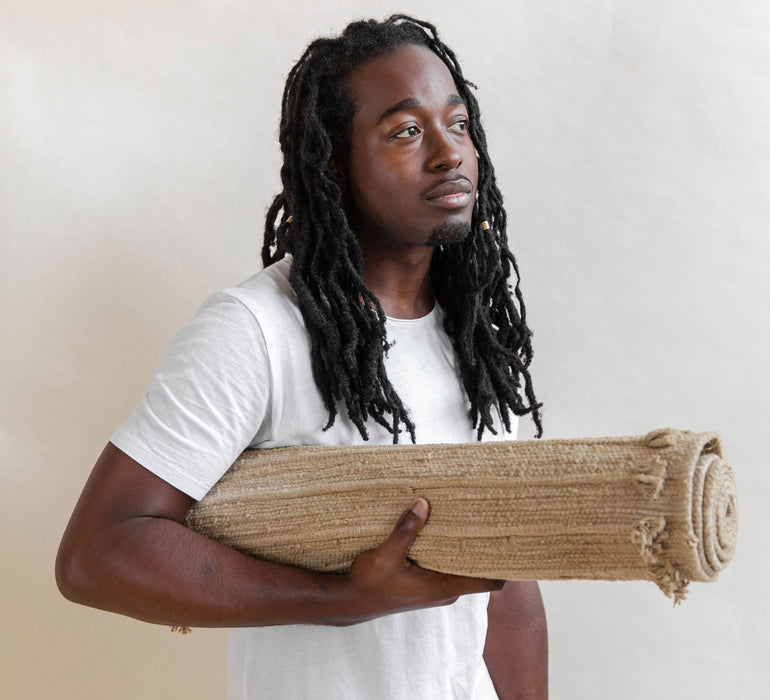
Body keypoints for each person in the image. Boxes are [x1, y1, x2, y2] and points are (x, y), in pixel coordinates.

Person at [56, 14, 548, 699]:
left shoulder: (474, 338)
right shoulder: (256, 330)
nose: (449, 152)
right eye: (406, 131)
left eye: (458, 122)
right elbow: (99, 552)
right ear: (335, 163)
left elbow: (506, 579)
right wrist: (340, 598)